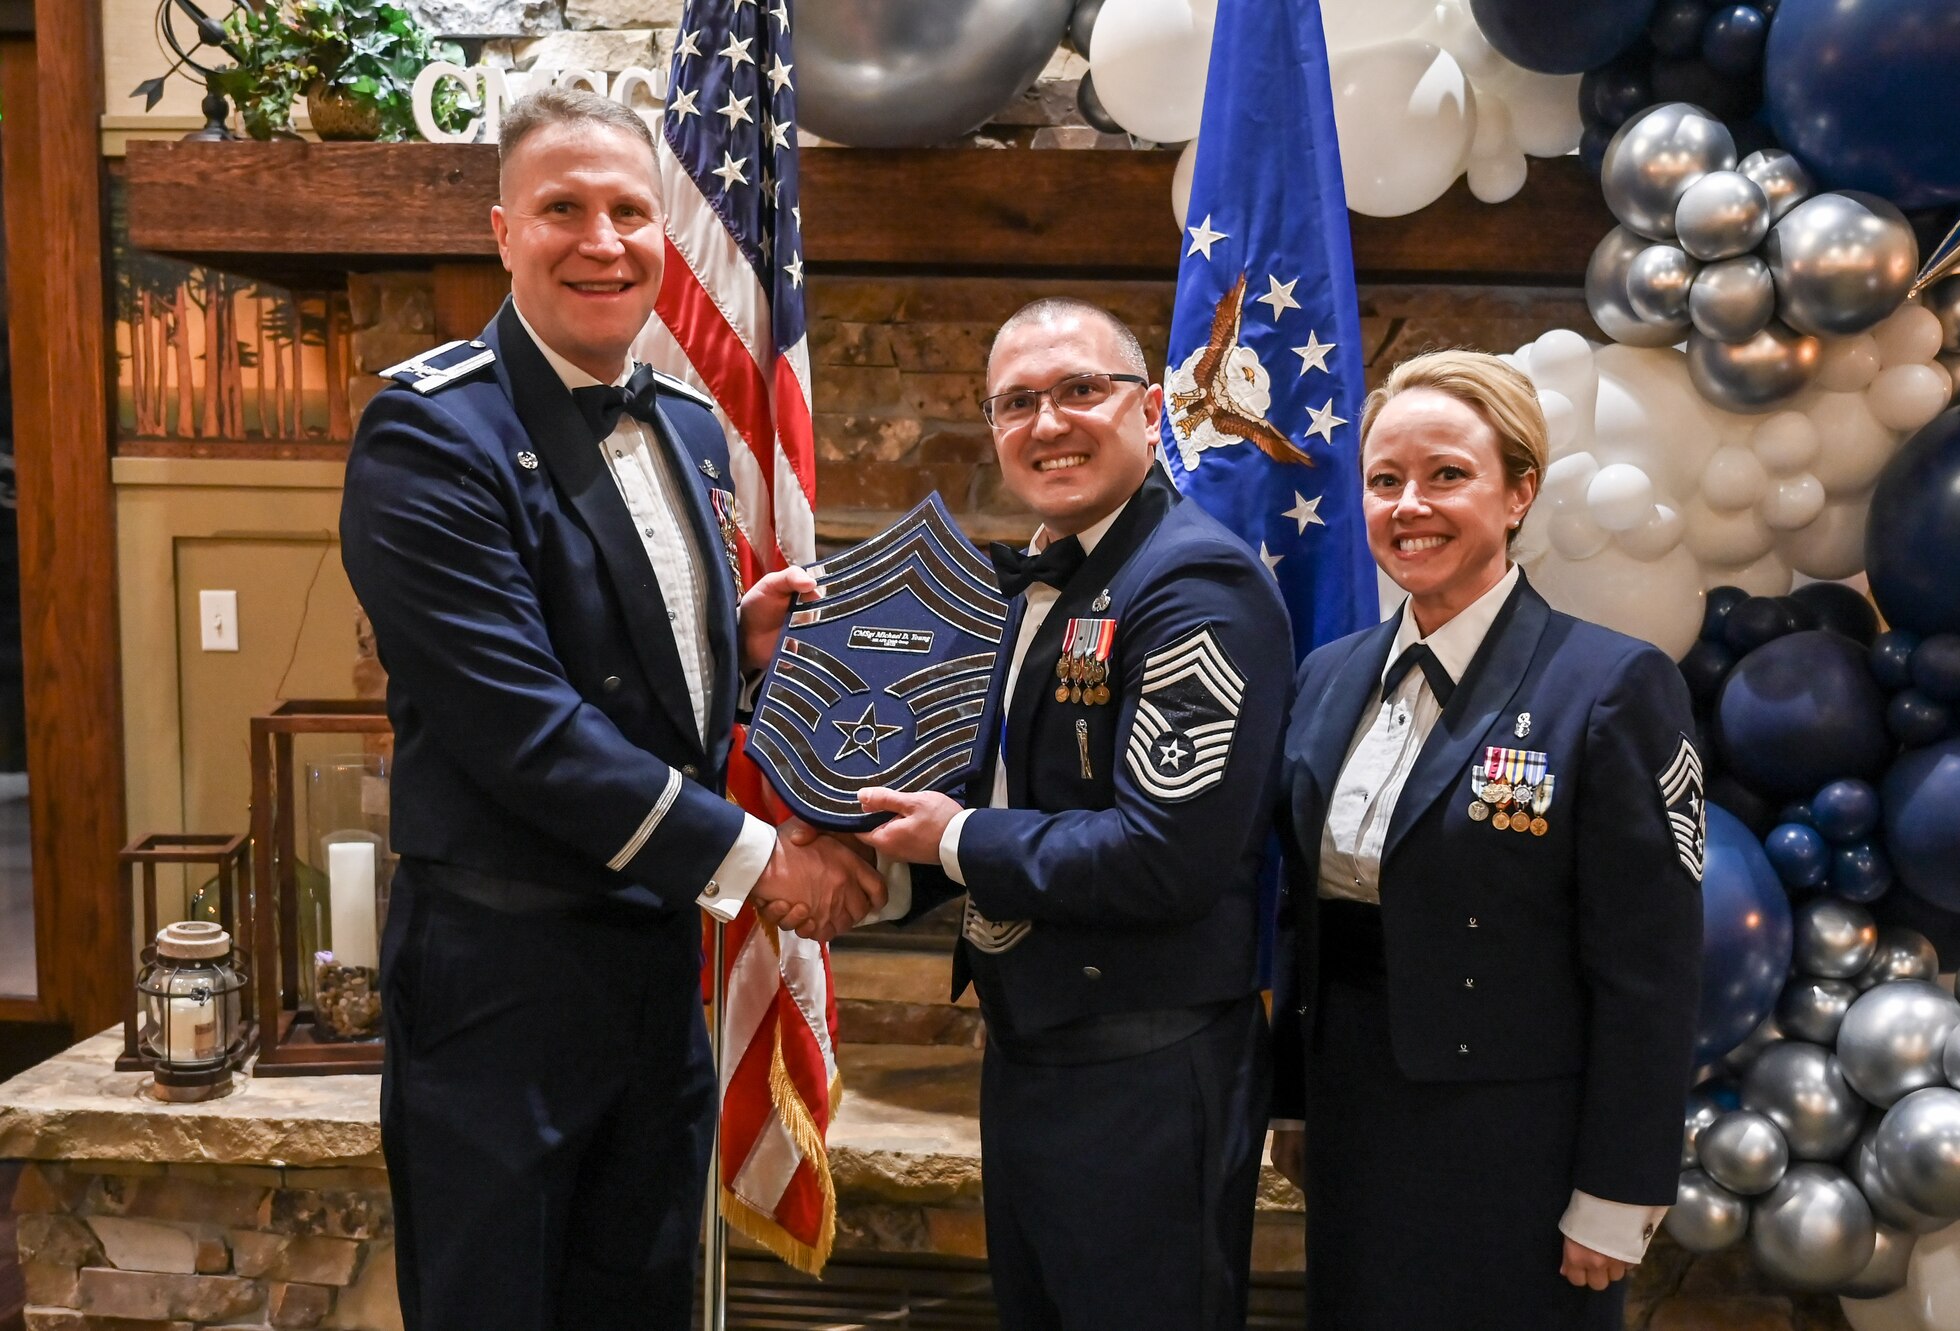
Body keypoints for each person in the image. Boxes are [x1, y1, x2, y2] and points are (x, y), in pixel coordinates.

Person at [340, 88, 881, 1331]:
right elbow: (522, 724)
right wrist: (764, 862)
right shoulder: (429, 432)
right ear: (500, 231)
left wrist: (734, 649)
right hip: (500, 979)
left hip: (650, 961)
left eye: (629, 210)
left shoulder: (688, 425)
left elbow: (630, 669)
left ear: (665, 236)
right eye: (562, 209)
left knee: (640, 1294)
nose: (602, 239)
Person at [857, 298, 1294, 1331]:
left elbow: (1162, 857)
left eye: (1078, 390)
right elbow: (1013, 798)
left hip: (1143, 1068)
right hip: (1037, 1051)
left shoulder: (1195, 581)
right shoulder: (1047, 580)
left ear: (1148, 410)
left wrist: (950, 841)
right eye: (1016, 402)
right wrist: (868, 875)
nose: (1047, 422)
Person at [1267, 349, 1703, 1329]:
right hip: (1356, 1126)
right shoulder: (1328, 675)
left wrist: (1618, 1189)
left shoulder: (1607, 686)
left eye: (1446, 474)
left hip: (1522, 1151)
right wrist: (1291, 1098)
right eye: (1384, 480)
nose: (1408, 503)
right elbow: (1303, 907)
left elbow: (1652, 965)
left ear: (1518, 494)